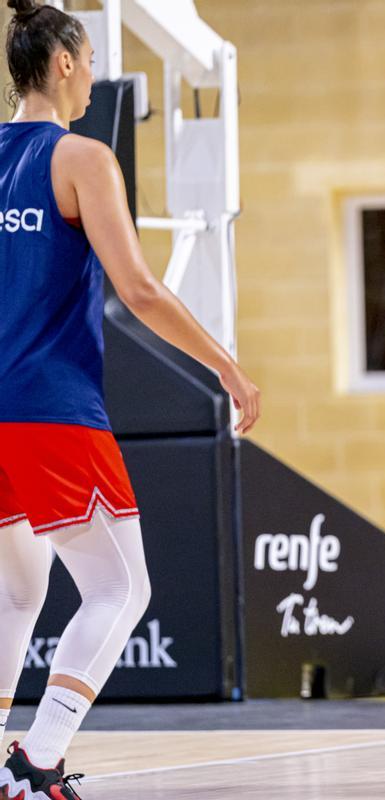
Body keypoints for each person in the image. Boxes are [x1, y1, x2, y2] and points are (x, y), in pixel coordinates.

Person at [0, 2, 260, 798]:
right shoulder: (81, 157)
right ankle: (39, 759)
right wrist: (226, 364)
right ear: (68, 61)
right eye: (91, 66)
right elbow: (141, 290)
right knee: (121, 589)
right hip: (50, 403)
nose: (95, 85)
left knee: (17, 591)